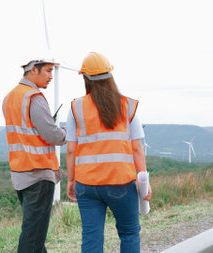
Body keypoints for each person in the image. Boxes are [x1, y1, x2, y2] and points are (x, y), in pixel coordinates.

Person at [66, 52, 152, 253]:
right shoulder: (127, 105)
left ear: (86, 78)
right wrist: (143, 182)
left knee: (91, 238)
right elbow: (136, 148)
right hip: (121, 183)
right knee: (129, 233)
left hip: (87, 185)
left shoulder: (76, 107)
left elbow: (71, 150)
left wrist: (71, 180)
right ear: (110, 76)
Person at [2, 58, 66, 253]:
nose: (51, 76)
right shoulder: (34, 98)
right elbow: (51, 135)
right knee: (32, 237)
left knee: (34, 234)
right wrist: (67, 134)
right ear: (32, 70)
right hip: (38, 175)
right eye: (47, 71)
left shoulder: (10, 98)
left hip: (20, 175)